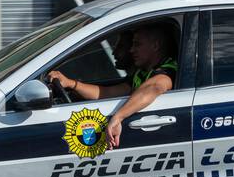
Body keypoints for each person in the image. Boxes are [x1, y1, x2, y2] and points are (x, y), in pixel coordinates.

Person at [47, 23, 178, 148]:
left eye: (137, 44)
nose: (131, 50)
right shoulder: (142, 73)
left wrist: (118, 117)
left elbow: (154, 87)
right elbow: (107, 93)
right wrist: (71, 83)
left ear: (155, 45)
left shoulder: (168, 70)